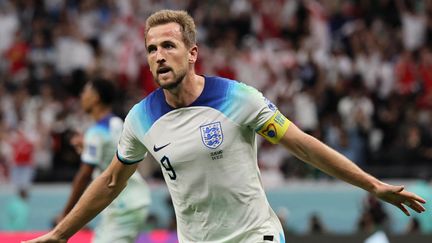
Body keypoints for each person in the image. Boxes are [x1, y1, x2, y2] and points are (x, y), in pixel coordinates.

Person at [23, 9, 426, 243]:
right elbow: (111, 181)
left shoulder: (238, 98)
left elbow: (303, 145)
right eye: (151, 49)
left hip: (256, 237)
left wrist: (372, 184)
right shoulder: (140, 119)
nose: (159, 56)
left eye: (168, 46)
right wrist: (61, 234)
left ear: (192, 53)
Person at [54, 78, 151, 243]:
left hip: (122, 206)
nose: (82, 96)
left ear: (96, 97)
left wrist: (66, 215)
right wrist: (87, 147)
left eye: (86, 92)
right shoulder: (117, 122)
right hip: (137, 199)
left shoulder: (96, 132)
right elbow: (114, 153)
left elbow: (84, 176)